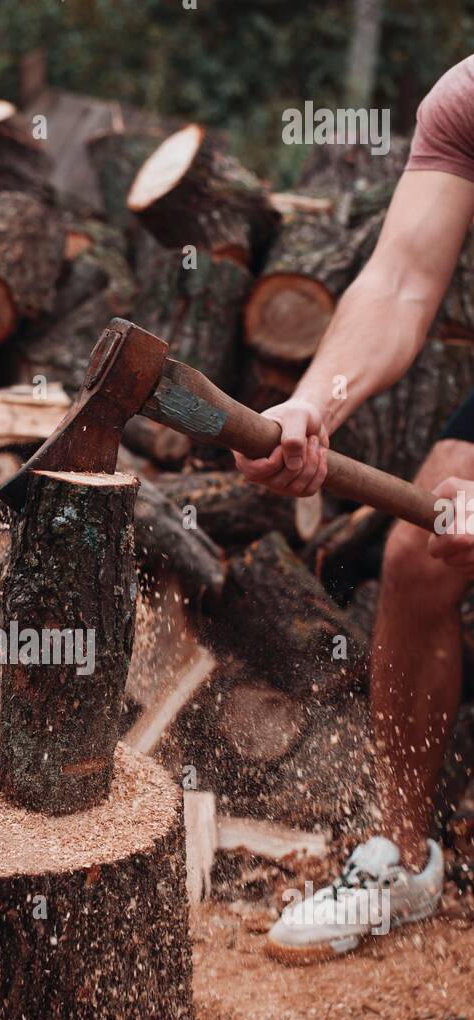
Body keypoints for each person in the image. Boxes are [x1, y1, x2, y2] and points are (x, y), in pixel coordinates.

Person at [232, 57, 474, 964]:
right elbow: (399, 282)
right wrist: (312, 407)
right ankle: (402, 858)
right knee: (418, 556)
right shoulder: (465, 99)